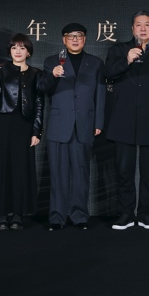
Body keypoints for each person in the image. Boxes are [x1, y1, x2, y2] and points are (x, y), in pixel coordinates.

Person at [104, 11, 149, 230]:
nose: (143, 29)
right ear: (132, 29)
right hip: (123, 118)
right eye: (138, 25)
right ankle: (126, 214)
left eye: (147, 25)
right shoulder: (119, 50)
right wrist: (126, 60)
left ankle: (145, 214)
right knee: (123, 171)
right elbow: (108, 73)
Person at [41, 23, 105, 231]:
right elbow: (42, 88)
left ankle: (79, 217)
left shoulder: (95, 63)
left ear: (85, 39)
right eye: (71, 36)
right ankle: (56, 217)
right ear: (64, 40)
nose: (75, 39)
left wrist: (98, 122)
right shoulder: (52, 61)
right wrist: (52, 75)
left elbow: (100, 94)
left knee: (81, 173)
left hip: (84, 124)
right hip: (59, 125)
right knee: (57, 175)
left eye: (79, 36)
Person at [0, 34, 44, 230]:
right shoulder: (0, 68)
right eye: (14, 48)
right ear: (9, 51)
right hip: (2, 122)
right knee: (1, 167)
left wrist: (36, 131)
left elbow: (39, 103)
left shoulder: (36, 73)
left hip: (24, 125)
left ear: (29, 52)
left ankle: (18, 214)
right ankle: (1, 215)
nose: (18, 51)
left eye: (22, 48)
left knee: (21, 168)